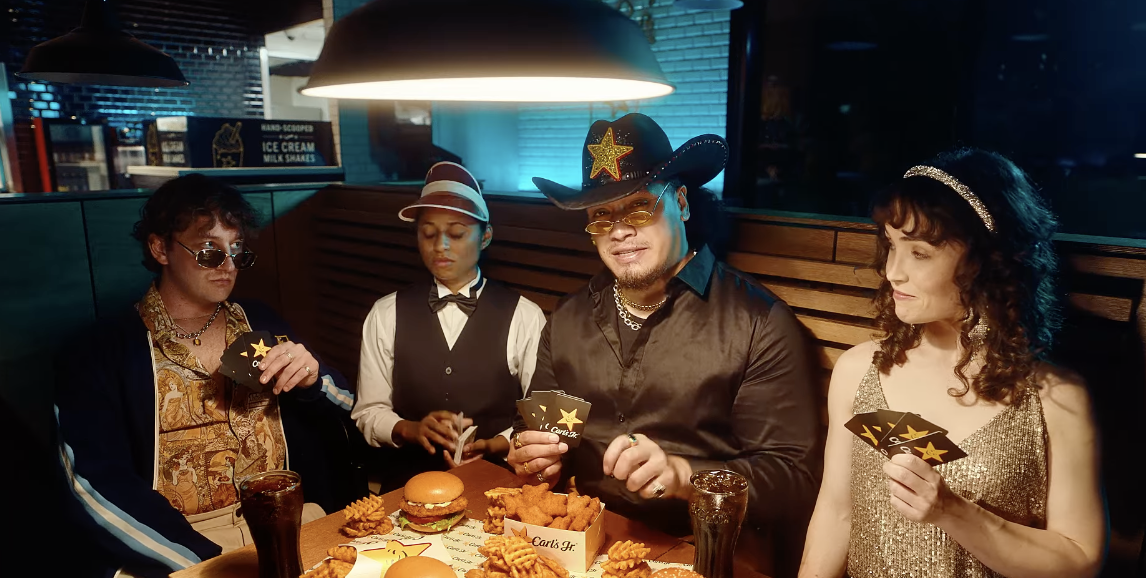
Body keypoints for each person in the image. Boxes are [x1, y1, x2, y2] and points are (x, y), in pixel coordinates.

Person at [509, 113, 820, 576]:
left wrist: (684, 477)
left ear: (681, 203)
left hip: (703, 548)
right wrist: (532, 457)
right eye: (601, 216)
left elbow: (793, 479)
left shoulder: (757, 323)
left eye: (639, 208)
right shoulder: (568, 318)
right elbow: (539, 433)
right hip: (584, 539)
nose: (619, 231)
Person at [798, 149, 1106, 578]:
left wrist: (952, 511)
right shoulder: (859, 371)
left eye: (919, 253)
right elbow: (836, 514)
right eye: (891, 245)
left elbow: (1080, 560)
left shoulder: (1055, 399)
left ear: (986, 262)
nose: (893, 271)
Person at [53, 174, 355, 578]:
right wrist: (201, 562)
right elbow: (92, 485)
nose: (227, 266)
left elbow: (349, 408)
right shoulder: (99, 353)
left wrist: (312, 382)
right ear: (160, 248)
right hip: (173, 548)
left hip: (290, 525)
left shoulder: (260, 323)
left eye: (237, 250)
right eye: (210, 251)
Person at [353, 161, 546, 490]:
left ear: (485, 237)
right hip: (407, 485)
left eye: (456, 233)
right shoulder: (385, 313)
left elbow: (540, 416)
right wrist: (410, 429)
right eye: (428, 233)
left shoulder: (525, 316)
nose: (440, 245)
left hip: (497, 485)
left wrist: (495, 445)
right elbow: (368, 412)